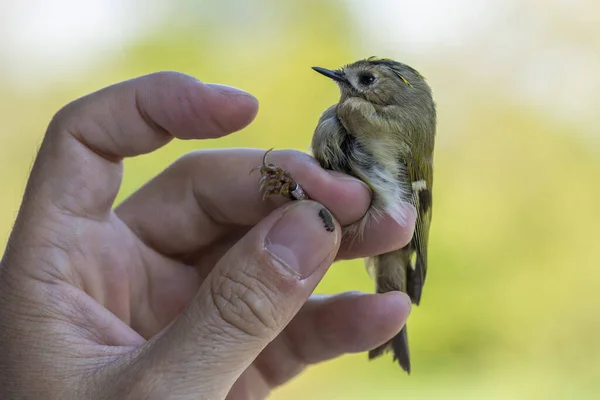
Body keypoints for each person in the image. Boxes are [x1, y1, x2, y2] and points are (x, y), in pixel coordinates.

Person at [0, 72, 416, 399]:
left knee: (325, 217)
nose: (347, 84)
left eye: (365, 80)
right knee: (321, 209)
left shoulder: (389, 126)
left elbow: (396, 206)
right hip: (339, 216)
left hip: (373, 226)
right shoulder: (338, 119)